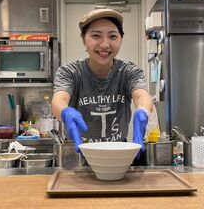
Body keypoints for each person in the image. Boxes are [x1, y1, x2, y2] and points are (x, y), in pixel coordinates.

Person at [51, 8, 153, 157]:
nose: (105, 45)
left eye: (112, 36)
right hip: (78, 155)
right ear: (83, 39)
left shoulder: (128, 71)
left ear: (120, 39)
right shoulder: (70, 71)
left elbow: (141, 95)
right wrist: (65, 112)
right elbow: (58, 100)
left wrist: (143, 111)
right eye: (96, 36)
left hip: (118, 154)